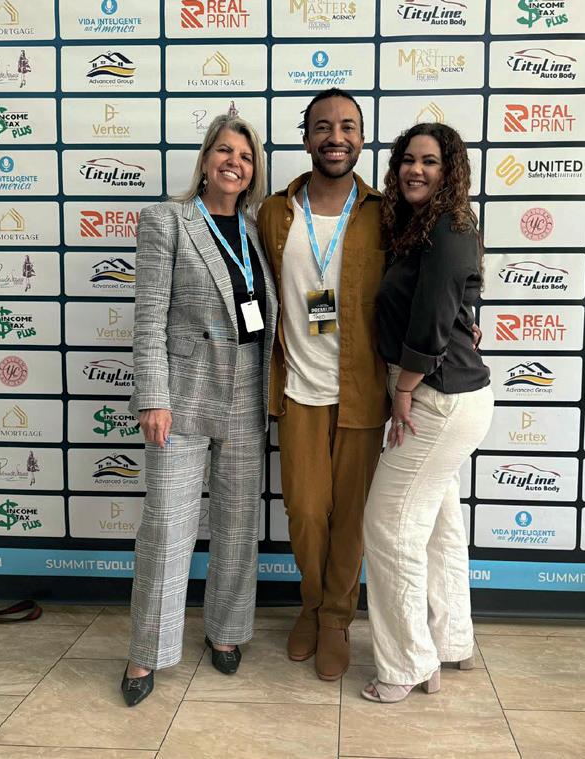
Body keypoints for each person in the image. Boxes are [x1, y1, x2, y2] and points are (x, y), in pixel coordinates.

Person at [122, 114, 277, 706]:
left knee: (237, 524)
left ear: (253, 170)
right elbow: (147, 318)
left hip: (247, 390)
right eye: (225, 151)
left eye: (246, 155)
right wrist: (152, 396)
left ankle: (226, 631)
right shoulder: (167, 219)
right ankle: (146, 651)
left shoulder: (258, 229)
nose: (235, 162)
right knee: (167, 527)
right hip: (182, 394)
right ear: (206, 159)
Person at [257, 89, 389, 681]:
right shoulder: (274, 212)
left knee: (350, 517)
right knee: (307, 512)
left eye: (348, 126)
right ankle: (311, 605)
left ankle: (337, 618)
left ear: (362, 137)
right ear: (306, 137)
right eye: (323, 126)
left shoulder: (385, 212)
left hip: (363, 391)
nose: (336, 137)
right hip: (297, 389)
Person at [361, 122, 494, 703]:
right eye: (408, 160)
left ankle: (406, 664)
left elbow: (434, 319)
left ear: (450, 170)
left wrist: (403, 391)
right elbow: (461, 298)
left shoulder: (449, 225)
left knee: (388, 527)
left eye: (430, 161)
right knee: (439, 526)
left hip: (435, 397)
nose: (416, 170)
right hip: (447, 393)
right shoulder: (425, 225)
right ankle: (450, 639)